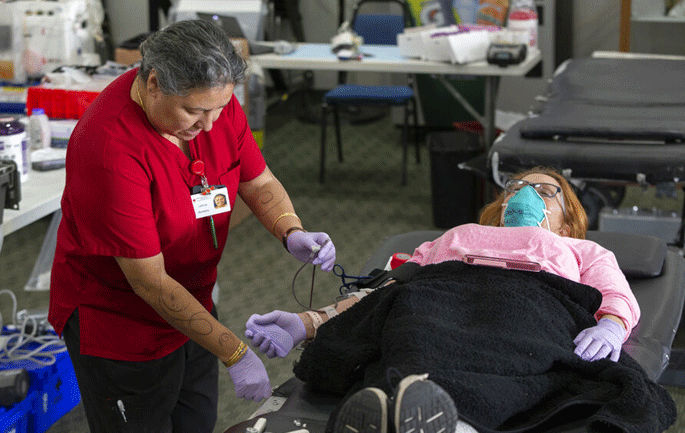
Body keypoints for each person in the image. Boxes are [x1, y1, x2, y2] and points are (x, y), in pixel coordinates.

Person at [47, 19, 336, 433]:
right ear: (153, 83)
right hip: (120, 323)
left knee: (196, 420)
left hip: (191, 304)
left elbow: (259, 181)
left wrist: (291, 230)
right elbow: (149, 283)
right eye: (196, 112)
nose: (210, 125)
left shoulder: (211, 98)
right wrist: (234, 352)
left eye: (219, 109)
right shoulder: (109, 148)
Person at [246, 166, 639, 363]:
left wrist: (611, 326)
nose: (524, 195)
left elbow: (616, 294)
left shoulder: (580, 250)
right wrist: (307, 322)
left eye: (544, 191)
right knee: (408, 330)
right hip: (440, 306)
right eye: (517, 188)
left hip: (526, 311)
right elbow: (386, 294)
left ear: (569, 223)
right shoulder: (455, 236)